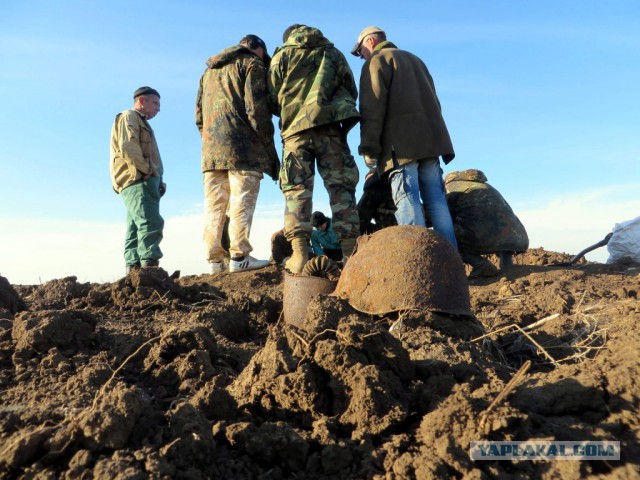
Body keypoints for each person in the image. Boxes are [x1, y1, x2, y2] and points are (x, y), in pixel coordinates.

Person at [353, 26, 458, 249]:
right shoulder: (416, 60)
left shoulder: (376, 61)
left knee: (407, 199)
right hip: (430, 143)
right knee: (437, 203)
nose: (361, 55)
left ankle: (419, 260)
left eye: (360, 50)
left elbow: (372, 108)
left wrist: (369, 148)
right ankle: (451, 261)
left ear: (370, 42)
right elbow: (435, 104)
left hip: (401, 147)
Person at [268, 24, 361, 273]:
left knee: (296, 191)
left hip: (295, 132)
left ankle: (299, 255)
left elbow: (272, 96)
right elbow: (351, 89)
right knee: (342, 189)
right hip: (330, 129)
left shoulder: (281, 56)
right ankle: (351, 255)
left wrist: (292, 108)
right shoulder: (333, 53)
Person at [196, 35, 279, 274]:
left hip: (211, 152)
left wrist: (210, 140)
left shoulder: (208, 71)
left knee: (214, 206)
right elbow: (256, 110)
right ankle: (240, 256)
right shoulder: (251, 64)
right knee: (241, 200)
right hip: (244, 149)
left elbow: (199, 117)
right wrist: (267, 145)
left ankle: (214, 262)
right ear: (258, 48)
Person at [110, 86, 166, 274]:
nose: (158, 108)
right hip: (137, 179)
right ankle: (150, 269)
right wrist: (147, 171)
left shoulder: (138, 121)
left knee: (135, 226)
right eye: (155, 103)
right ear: (141, 101)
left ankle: (134, 272)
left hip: (140, 179)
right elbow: (128, 147)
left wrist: (159, 179)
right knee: (150, 222)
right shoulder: (129, 116)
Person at [445, 169, 529, 277]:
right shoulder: (488, 187)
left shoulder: (452, 188)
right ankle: (508, 268)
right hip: (517, 237)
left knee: (447, 236)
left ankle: (481, 265)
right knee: (503, 241)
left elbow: (440, 215)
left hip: (483, 236)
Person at [357, 170, 397, 234]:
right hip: (407, 228)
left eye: (369, 179)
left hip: (386, 233)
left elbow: (360, 220)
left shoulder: (371, 192)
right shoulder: (398, 184)